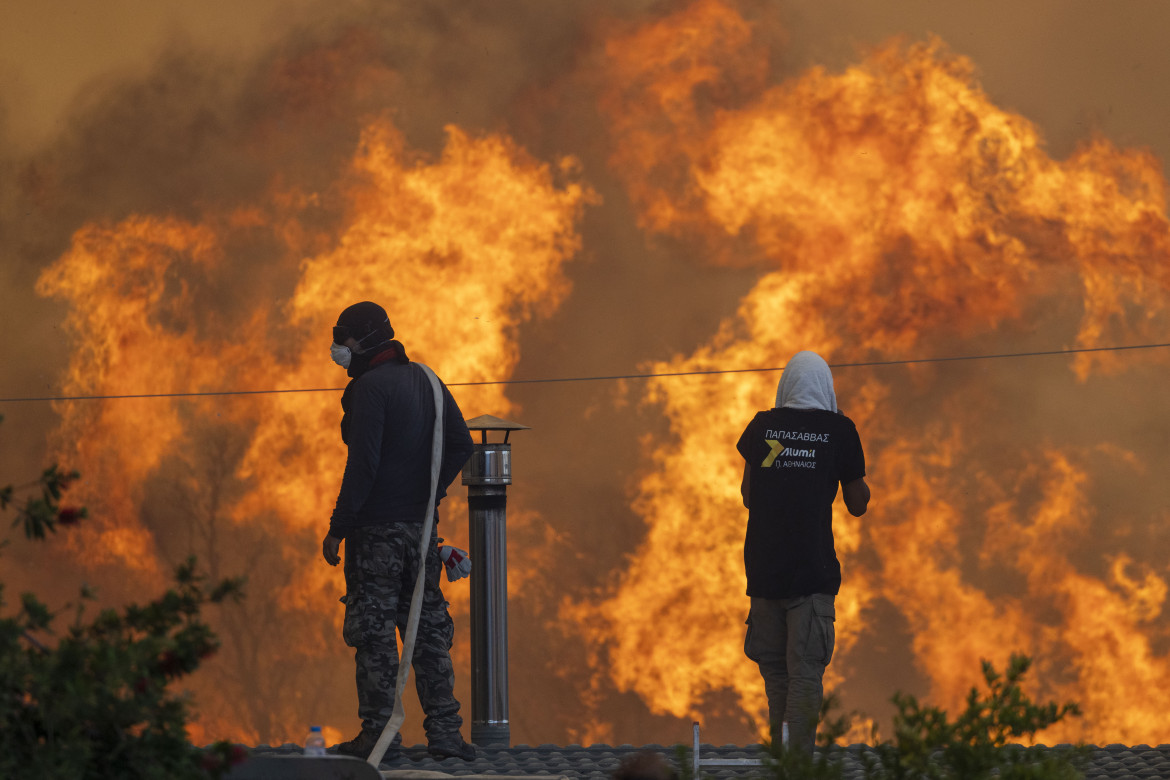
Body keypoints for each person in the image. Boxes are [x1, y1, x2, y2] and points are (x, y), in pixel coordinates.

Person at [320, 301, 476, 761]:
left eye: (342, 338)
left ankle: (378, 737)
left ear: (365, 340)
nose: (337, 349)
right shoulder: (428, 380)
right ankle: (446, 735)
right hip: (422, 531)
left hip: (375, 536)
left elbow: (362, 465)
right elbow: (462, 444)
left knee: (373, 634)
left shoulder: (369, 389)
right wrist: (429, 496)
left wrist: (338, 528)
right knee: (426, 630)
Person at [736, 350, 870, 755]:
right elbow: (858, 503)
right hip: (811, 576)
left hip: (764, 572)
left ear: (786, 387)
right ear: (826, 389)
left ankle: (783, 759)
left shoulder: (763, 427)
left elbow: (747, 496)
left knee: (776, 673)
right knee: (805, 673)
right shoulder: (839, 430)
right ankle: (799, 766)